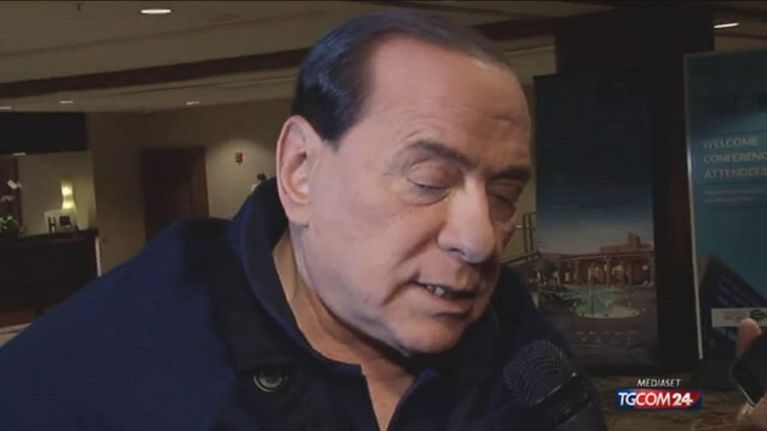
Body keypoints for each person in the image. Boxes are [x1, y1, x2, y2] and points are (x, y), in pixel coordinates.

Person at [0, 10, 763, 431]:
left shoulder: (530, 362)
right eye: (428, 180)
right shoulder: (106, 361)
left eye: (503, 193)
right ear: (300, 170)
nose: (480, 237)